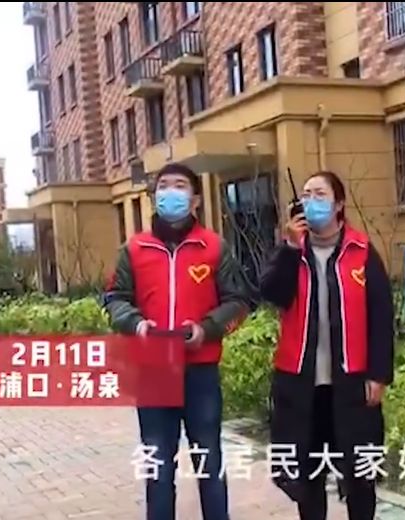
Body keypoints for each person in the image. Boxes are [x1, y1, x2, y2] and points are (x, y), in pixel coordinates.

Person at [102, 162, 253, 520]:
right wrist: (136, 324)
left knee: (209, 461)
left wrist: (206, 329)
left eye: (180, 186)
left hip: (200, 373)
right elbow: (115, 298)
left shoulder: (213, 247)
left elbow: (238, 301)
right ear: (154, 197)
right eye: (164, 186)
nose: (171, 192)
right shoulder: (134, 249)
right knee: (158, 465)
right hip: (153, 373)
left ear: (195, 199)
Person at [259, 170, 395, 520]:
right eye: (306, 195)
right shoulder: (293, 252)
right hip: (301, 384)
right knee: (307, 475)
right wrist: (290, 248)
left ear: (339, 204)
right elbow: (272, 293)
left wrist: (379, 374)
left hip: (351, 382)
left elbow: (381, 315)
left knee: (359, 475)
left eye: (320, 194)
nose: (311, 201)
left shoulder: (361, 251)